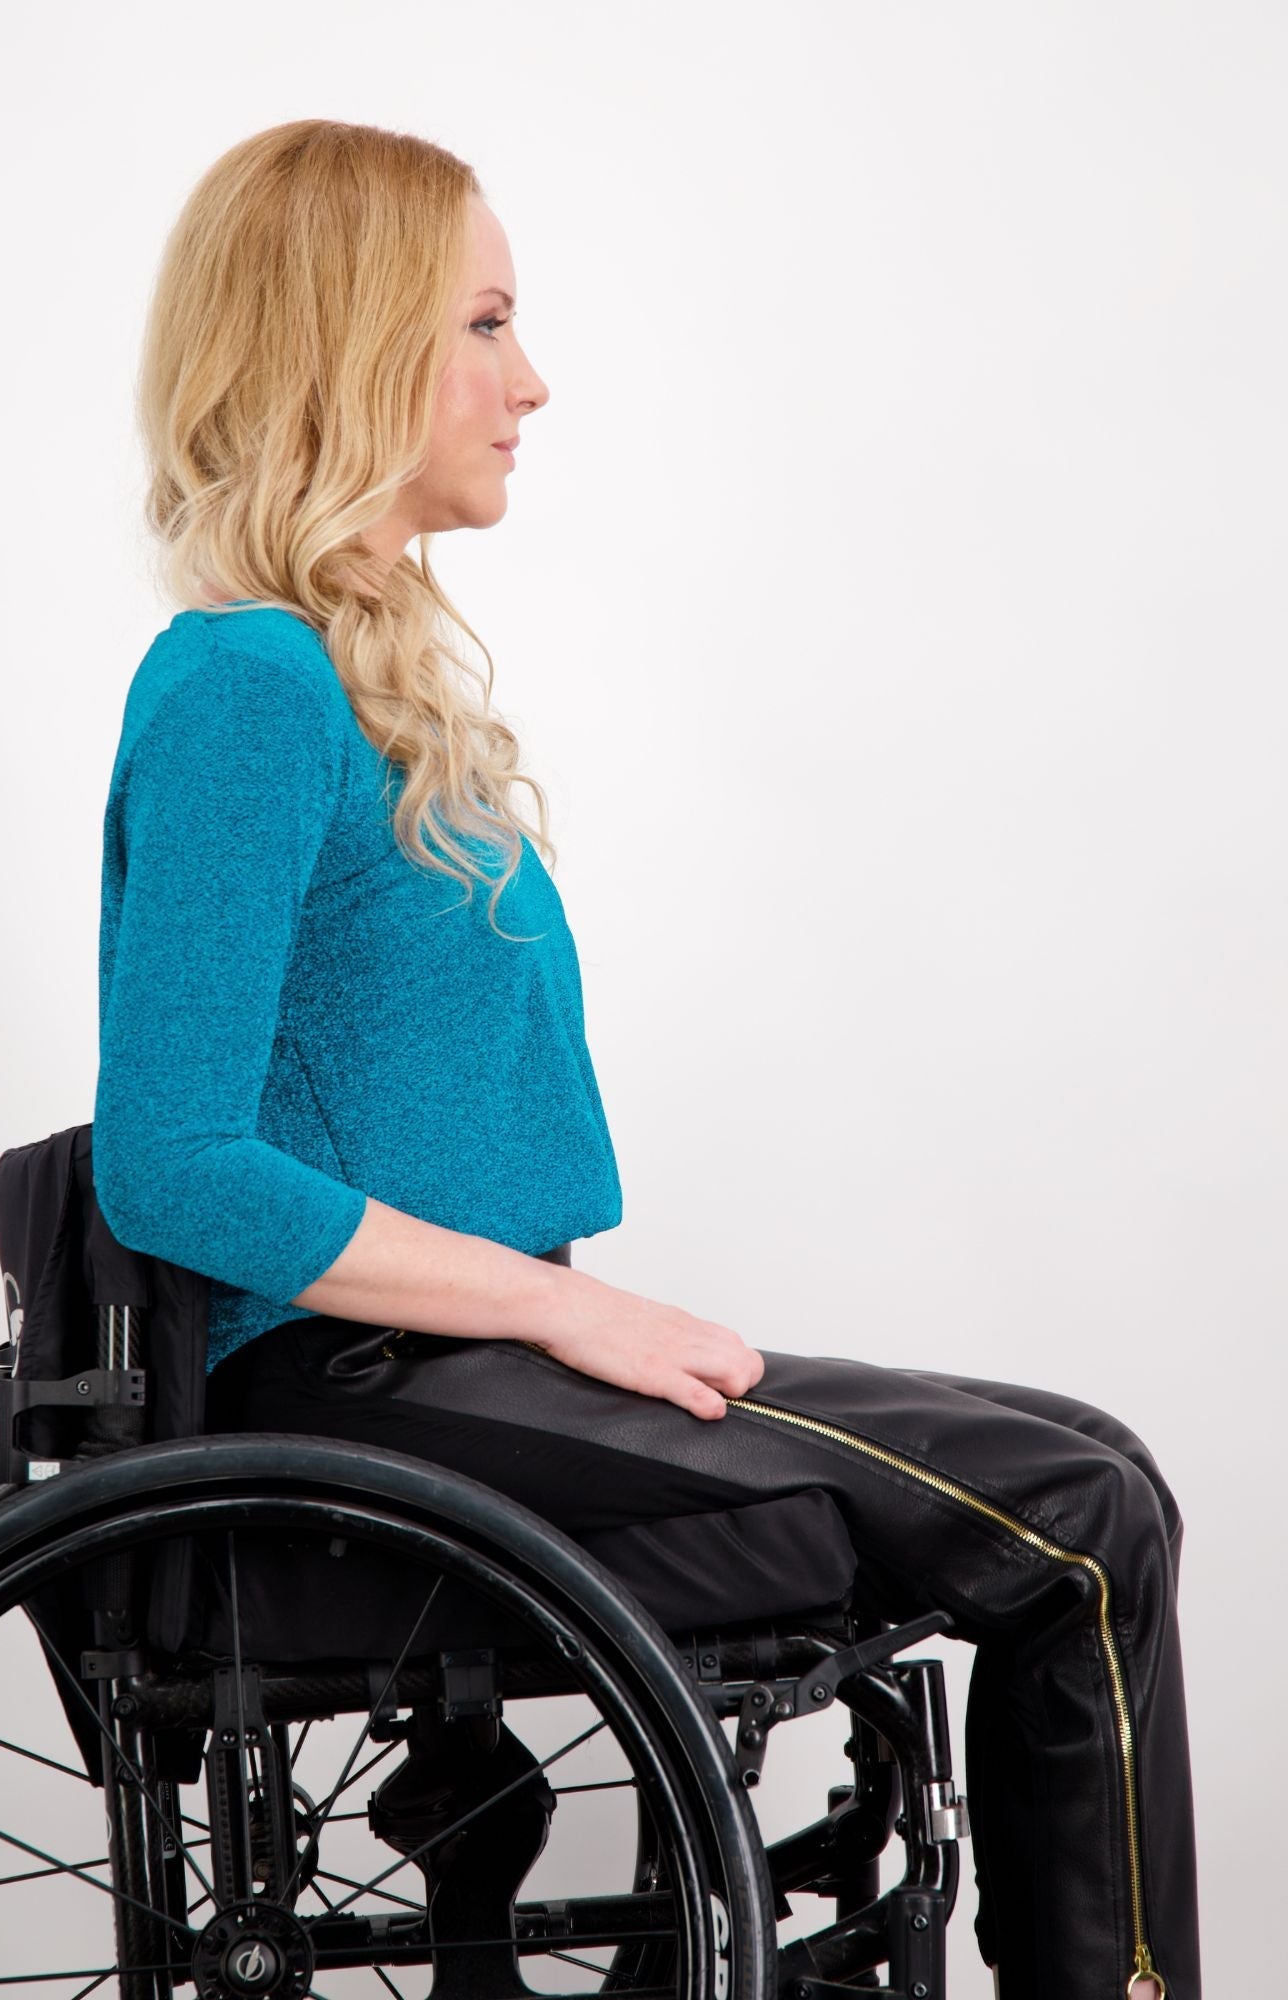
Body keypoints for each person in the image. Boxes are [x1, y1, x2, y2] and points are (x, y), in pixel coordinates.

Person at [93, 118, 1197, 2000]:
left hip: (452, 1357)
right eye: (487, 325)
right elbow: (174, 1160)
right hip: (359, 1405)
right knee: (1077, 1523)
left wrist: (546, 1308)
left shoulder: (356, 671)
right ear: (351, 345)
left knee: (1088, 1468)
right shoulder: (245, 687)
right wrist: (556, 1312)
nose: (532, 382)